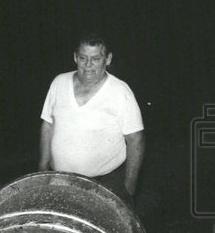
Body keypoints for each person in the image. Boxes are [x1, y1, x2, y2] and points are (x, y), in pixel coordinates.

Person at [39, 33, 145, 204]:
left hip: (105, 183)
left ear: (108, 59)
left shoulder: (120, 91)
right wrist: (42, 169)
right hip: (60, 180)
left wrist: (129, 187)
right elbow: (47, 125)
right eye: (83, 58)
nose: (88, 65)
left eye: (95, 58)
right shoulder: (59, 82)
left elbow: (136, 139)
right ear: (75, 57)